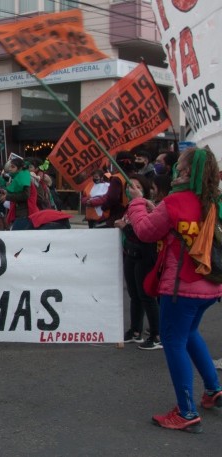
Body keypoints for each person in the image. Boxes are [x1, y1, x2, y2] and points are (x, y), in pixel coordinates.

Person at [126, 147, 222, 432]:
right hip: (212, 285)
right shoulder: (215, 200)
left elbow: (145, 231)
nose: (171, 168)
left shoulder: (176, 200)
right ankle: (213, 389)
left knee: (174, 341)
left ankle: (186, 410)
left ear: (187, 171)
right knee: (189, 333)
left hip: (182, 288)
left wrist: (137, 203)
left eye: (178, 165)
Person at [114, 174, 160, 350]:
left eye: (136, 186)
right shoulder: (130, 208)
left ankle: (156, 334)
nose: (131, 188)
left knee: (147, 296)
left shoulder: (147, 207)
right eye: (129, 185)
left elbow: (142, 234)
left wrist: (124, 227)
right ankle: (135, 331)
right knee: (134, 295)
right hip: (131, 254)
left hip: (144, 255)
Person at [0, 157, 37, 231]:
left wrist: (8, 196)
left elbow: (25, 195)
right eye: (10, 166)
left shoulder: (24, 178)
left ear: (19, 169)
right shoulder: (19, 177)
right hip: (21, 213)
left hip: (25, 214)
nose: (10, 169)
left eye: (12, 167)